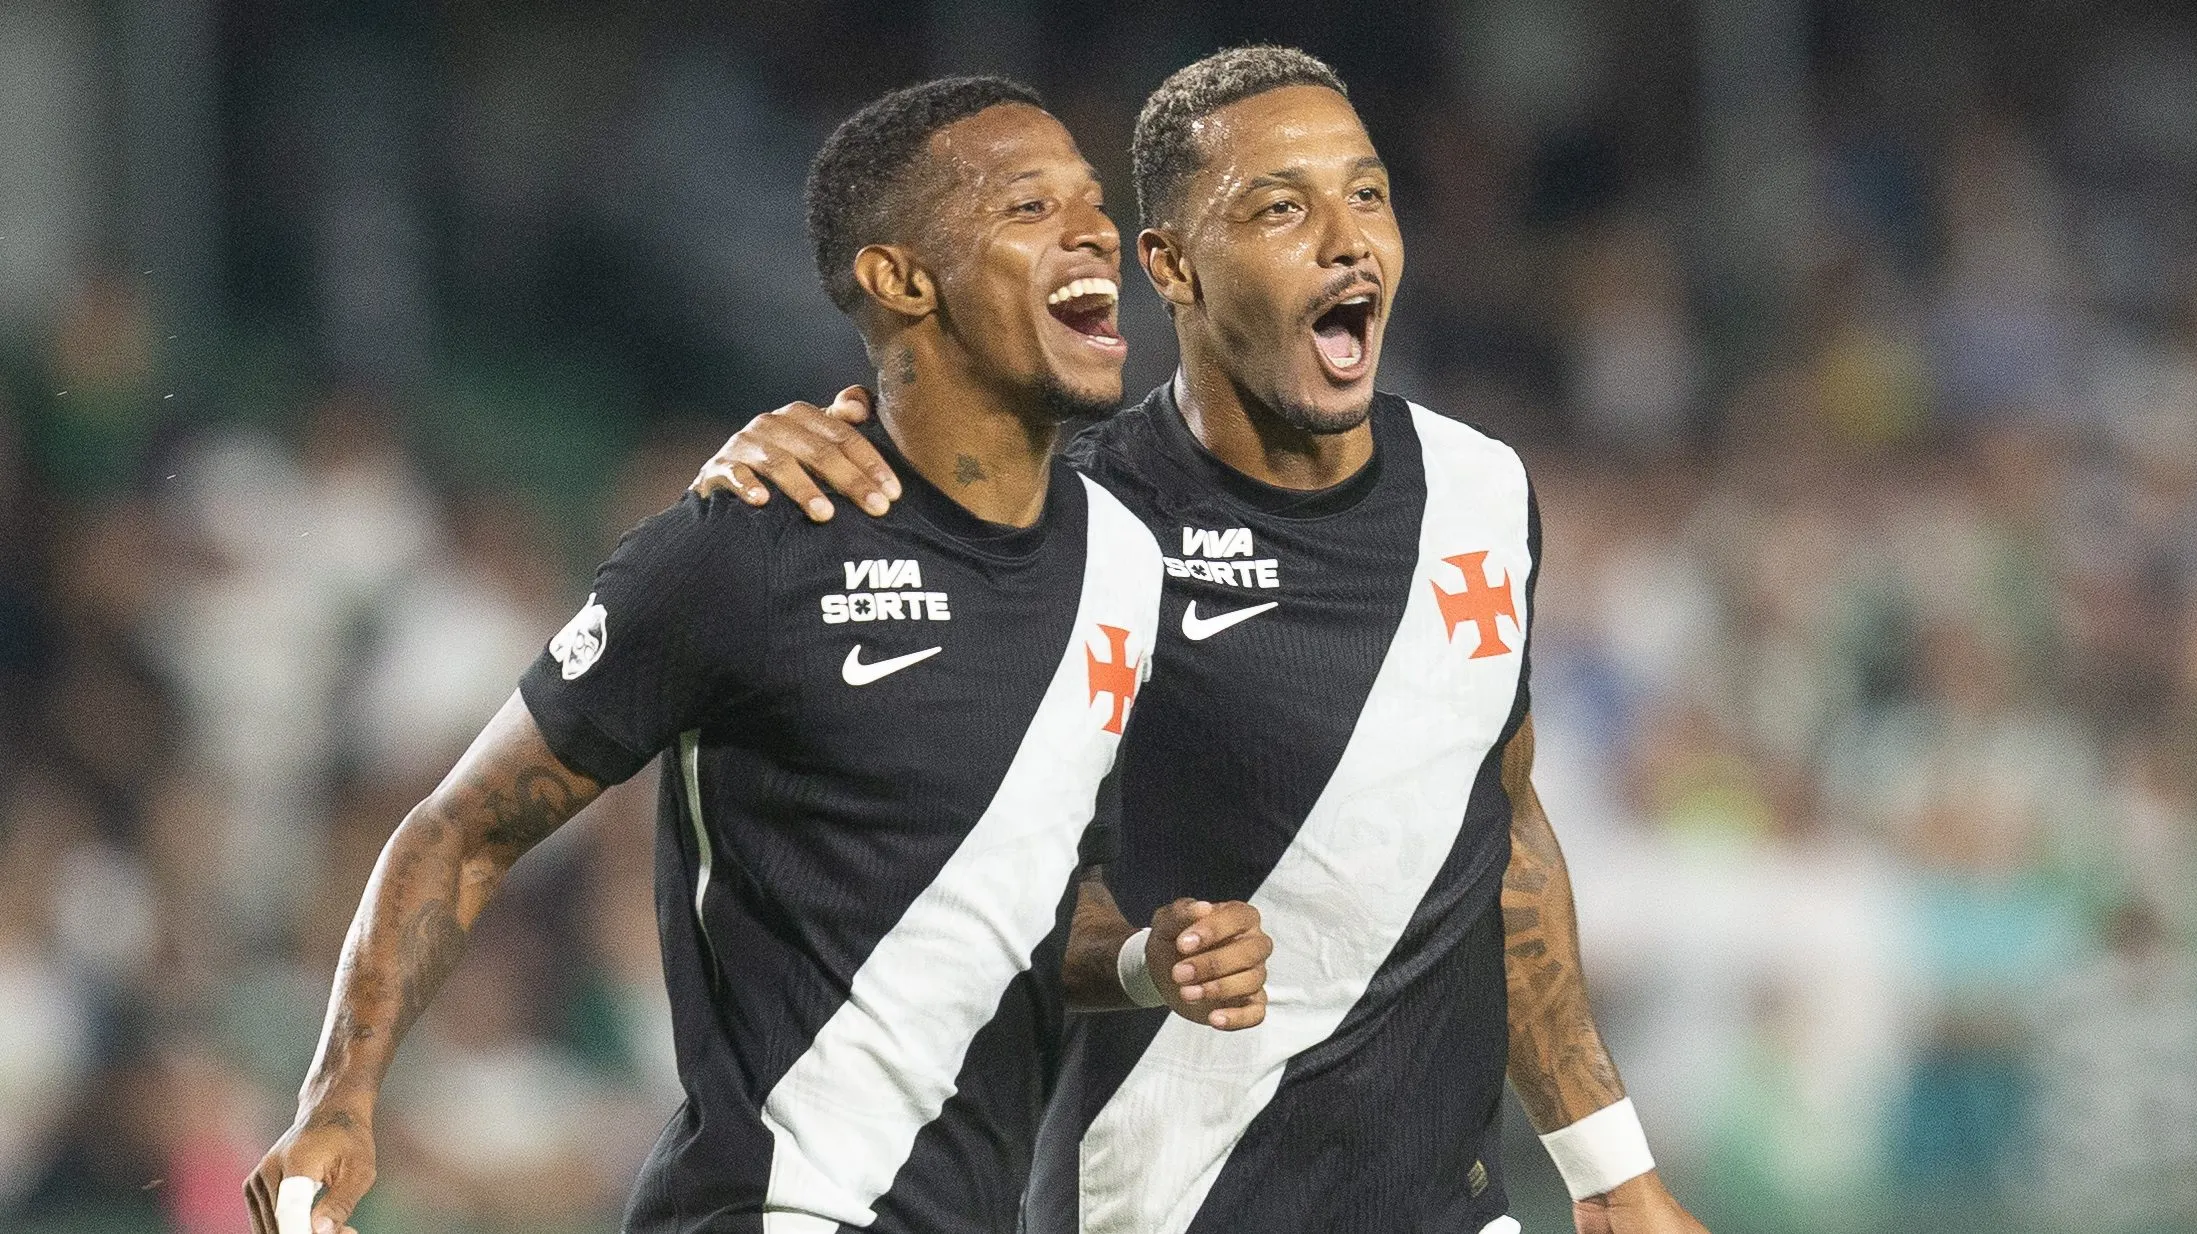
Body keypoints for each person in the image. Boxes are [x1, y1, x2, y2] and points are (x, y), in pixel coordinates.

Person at [692, 48, 1709, 1234]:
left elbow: (1504, 829)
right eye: (1282, 208)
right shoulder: (1070, 524)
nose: (1347, 239)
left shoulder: (1482, 490)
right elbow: (941, 881)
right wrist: (766, 469)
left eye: (1367, 194)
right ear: (1168, 265)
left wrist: (1610, 1168)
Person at [243, 77, 1273, 1234]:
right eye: (1030, 207)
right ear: (898, 279)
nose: (1095, 231)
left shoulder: (1128, 565)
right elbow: (462, 829)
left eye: (1093, 202)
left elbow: (1017, 902)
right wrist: (339, 1096)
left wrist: (1144, 957)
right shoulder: (750, 549)